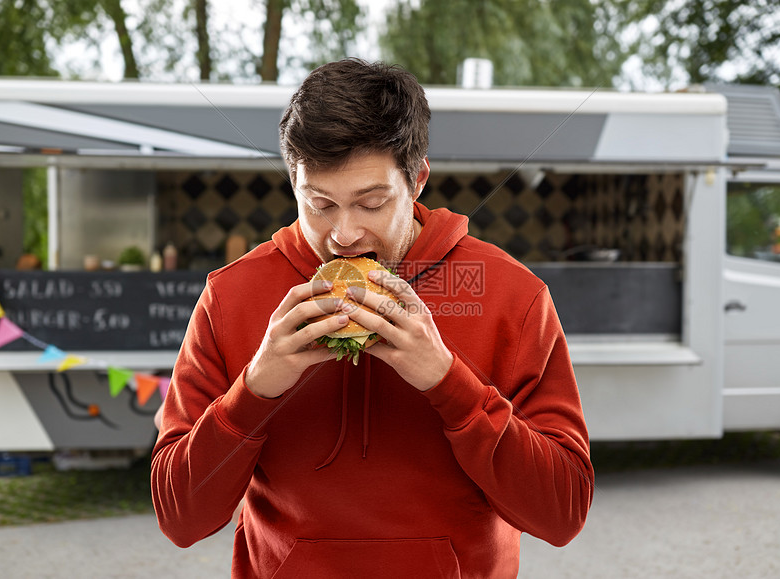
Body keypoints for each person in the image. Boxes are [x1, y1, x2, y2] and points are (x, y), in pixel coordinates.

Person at [151, 58, 593, 578]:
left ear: (418, 180)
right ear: (293, 182)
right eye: (319, 203)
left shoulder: (512, 295)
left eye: (372, 203)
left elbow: (563, 515)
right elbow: (181, 520)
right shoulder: (229, 296)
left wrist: (447, 382)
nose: (343, 235)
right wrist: (256, 388)